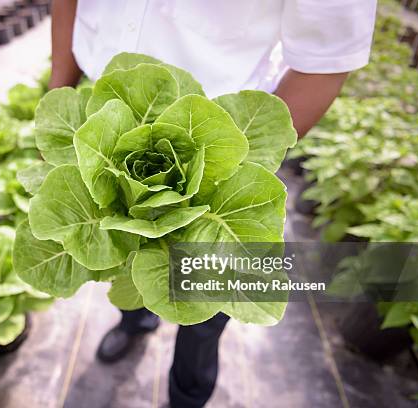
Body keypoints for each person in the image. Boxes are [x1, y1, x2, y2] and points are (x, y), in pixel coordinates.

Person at [48, 1, 377, 407]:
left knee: (205, 310)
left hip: (222, 141)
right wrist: (58, 84)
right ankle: (135, 321)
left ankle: (188, 393)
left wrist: (226, 175)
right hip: (104, 119)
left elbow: (325, 59)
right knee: (127, 266)